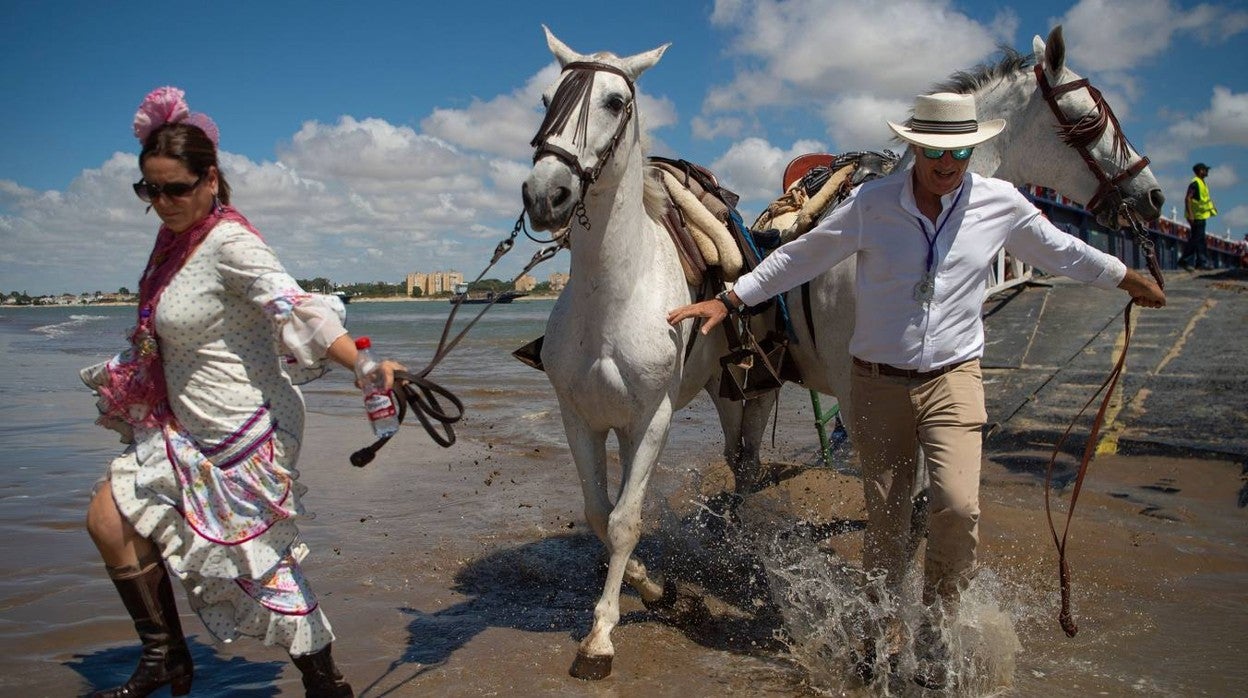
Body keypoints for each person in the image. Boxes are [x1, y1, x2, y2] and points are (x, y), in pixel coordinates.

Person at [667, 92, 1166, 689]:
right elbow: (802, 256)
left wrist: (1124, 277)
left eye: (959, 150)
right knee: (887, 520)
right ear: (916, 147)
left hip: (954, 379)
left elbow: (1060, 250)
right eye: (935, 149)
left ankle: (935, 627)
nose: (947, 162)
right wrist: (729, 299)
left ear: (970, 149)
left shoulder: (998, 203)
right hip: (878, 385)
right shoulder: (872, 203)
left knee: (957, 506)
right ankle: (879, 634)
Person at [80, 86, 403, 698]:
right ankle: (166, 659)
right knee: (108, 517)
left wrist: (360, 367)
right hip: (186, 420)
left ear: (210, 180)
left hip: (244, 428)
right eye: (150, 190)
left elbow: (295, 308)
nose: (163, 203)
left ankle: (323, 681)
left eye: (175, 188)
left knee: (259, 567)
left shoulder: (230, 241)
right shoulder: (175, 243)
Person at [1180, 162, 1218, 270]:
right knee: (1196, 239)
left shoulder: (1202, 183)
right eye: (1205, 169)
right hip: (1195, 216)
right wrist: (1191, 214)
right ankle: (1186, 260)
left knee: (1200, 239)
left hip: (1200, 215)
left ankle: (1201, 262)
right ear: (1200, 170)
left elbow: (1204, 199)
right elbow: (1188, 198)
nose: (1207, 172)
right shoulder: (1195, 183)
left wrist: (1212, 207)